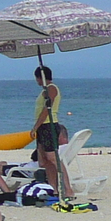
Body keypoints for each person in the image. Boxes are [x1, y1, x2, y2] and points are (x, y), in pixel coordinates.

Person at [32, 66, 71, 199]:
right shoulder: (45, 90)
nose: (36, 81)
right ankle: (54, 189)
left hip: (48, 125)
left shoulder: (51, 88)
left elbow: (46, 109)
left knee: (53, 158)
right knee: (44, 161)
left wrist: (35, 127)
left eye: (37, 78)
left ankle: (68, 189)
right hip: (43, 127)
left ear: (40, 77)